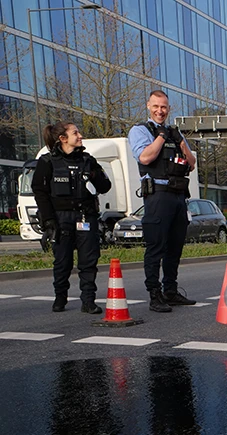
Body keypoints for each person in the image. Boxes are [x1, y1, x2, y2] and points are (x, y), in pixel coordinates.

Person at [128, 89, 197, 313]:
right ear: (149, 106)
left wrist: (180, 142)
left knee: (175, 247)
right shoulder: (140, 130)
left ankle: (171, 290)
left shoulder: (174, 132)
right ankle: (154, 294)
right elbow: (146, 157)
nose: (160, 111)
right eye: (156, 106)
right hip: (157, 194)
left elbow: (192, 163)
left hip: (178, 195)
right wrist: (160, 136)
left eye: (164, 107)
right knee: (156, 246)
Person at [32, 121, 112, 313]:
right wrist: (49, 220)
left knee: (88, 261)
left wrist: (93, 174)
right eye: (75, 133)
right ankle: (60, 297)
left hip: (85, 216)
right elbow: (40, 192)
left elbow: (105, 186)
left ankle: (88, 301)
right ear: (63, 138)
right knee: (62, 261)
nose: (80, 135)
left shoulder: (87, 160)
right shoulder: (47, 162)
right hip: (61, 218)